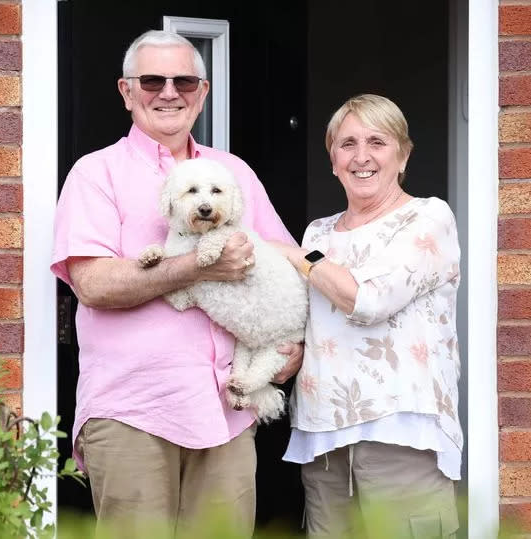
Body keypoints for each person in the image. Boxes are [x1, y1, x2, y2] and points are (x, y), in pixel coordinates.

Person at [50, 30, 302, 536]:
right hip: (133, 410)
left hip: (225, 411)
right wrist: (198, 266)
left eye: (184, 80)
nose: (169, 92)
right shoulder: (96, 173)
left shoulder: (233, 173)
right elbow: (94, 283)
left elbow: (290, 259)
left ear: (202, 92)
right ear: (126, 91)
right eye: (152, 80)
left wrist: (292, 346)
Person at [277, 94, 462, 538]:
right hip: (323, 438)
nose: (362, 157)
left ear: (402, 155)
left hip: (400, 432)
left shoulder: (427, 217)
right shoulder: (319, 233)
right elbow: (313, 315)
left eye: (377, 142)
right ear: (333, 160)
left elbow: (369, 300)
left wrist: (292, 256)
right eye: (347, 144)